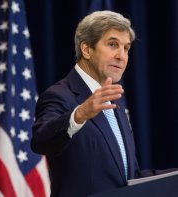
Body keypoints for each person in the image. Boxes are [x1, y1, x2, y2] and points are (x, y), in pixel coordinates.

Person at [31, 10, 144, 197]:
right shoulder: (59, 95)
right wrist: (80, 114)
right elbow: (41, 142)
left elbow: (129, 176)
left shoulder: (115, 101)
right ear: (86, 49)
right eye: (112, 44)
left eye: (126, 48)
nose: (121, 56)